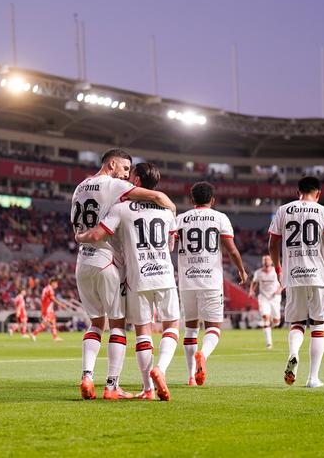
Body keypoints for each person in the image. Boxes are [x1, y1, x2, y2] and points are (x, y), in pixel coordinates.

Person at [71, 149, 176, 400]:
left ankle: (87, 375)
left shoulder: (80, 187)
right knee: (117, 326)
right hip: (107, 261)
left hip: (82, 261)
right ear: (112, 164)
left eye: (130, 172)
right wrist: (169, 203)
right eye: (125, 169)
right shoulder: (113, 184)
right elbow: (153, 195)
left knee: (96, 322)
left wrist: (79, 237)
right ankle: (111, 385)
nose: (127, 175)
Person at [268, 176, 324, 389]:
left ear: (297, 191)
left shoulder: (283, 210)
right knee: (318, 327)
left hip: (293, 275)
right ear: (318, 193)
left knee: (297, 323)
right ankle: (313, 378)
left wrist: (278, 268)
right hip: (318, 276)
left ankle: (294, 353)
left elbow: (272, 244)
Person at [175, 182, 248, 386]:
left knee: (190, 329)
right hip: (211, 280)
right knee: (213, 328)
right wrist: (241, 270)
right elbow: (232, 250)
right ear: (212, 200)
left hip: (187, 280)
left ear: (191, 200)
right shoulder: (220, 218)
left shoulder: (180, 219)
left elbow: (169, 245)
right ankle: (203, 355)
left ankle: (190, 376)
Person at [249, 255, 282, 349]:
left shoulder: (276, 271)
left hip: (275, 298)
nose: (266, 261)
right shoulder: (258, 272)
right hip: (263, 297)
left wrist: (280, 289)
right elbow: (254, 282)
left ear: (271, 261)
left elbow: (282, 282)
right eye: (264, 260)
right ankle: (269, 343)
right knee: (265, 317)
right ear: (262, 262)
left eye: (268, 260)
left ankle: (272, 323)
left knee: (276, 321)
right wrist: (251, 291)